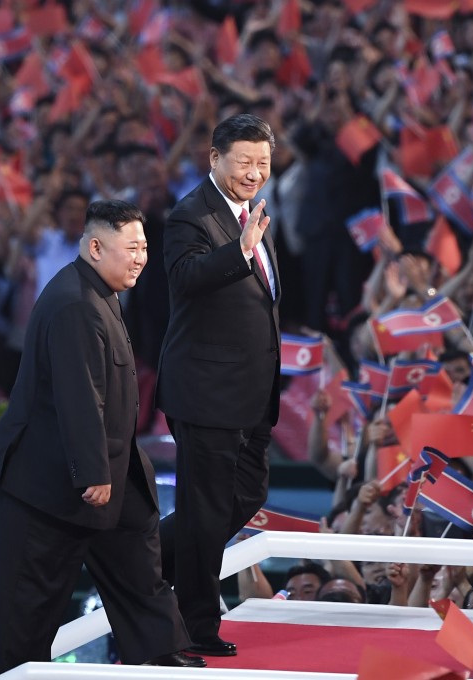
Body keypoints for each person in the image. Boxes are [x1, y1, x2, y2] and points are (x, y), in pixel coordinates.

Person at [0, 200, 201, 677]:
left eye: (144, 247)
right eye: (131, 248)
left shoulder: (100, 289)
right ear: (96, 247)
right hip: (53, 485)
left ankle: (163, 651)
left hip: (109, 474)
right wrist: (93, 472)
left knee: (139, 566)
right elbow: (79, 395)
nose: (141, 257)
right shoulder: (76, 303)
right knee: (27, 609)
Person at [156, 113, 281, 656]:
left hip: (249, 396)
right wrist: (240, 251)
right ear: (215, 159)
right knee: (206, 510)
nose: (255, 173)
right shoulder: (191, 215)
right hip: (206, 393)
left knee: (248, 494)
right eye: (244, 162)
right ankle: (198, 626)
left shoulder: (249, 213)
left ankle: (144, 559)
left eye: (263, 163)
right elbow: (184, 279)